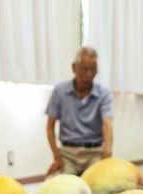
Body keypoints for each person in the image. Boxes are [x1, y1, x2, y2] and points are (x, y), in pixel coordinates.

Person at [45, 47, 114, 176]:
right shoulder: (60, 91)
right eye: (84, 69)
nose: (88, 74)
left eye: (93, 69)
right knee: (55, 186)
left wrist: (107, 152)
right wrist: (57, 156)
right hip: (68, 154)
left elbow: (108, 124)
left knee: (105, 186)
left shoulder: (103, 93)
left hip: (95, 153)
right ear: (74, 67)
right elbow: (49, 127)